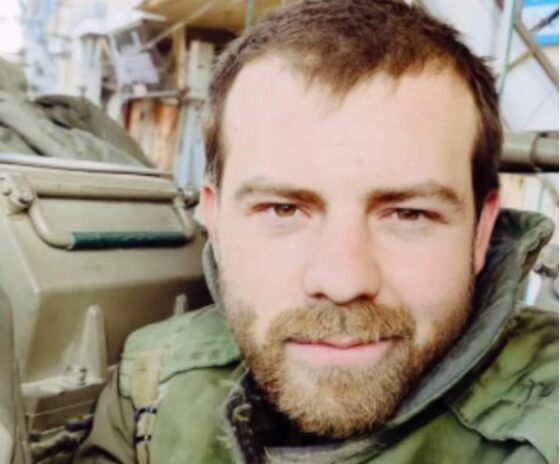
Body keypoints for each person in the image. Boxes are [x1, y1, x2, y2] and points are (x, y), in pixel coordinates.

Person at [74, 1, 558, 463]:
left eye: (408, 214)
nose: (343, 282)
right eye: (283, 210)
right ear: (216, 223)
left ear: (480, 232)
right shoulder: (150, 387)